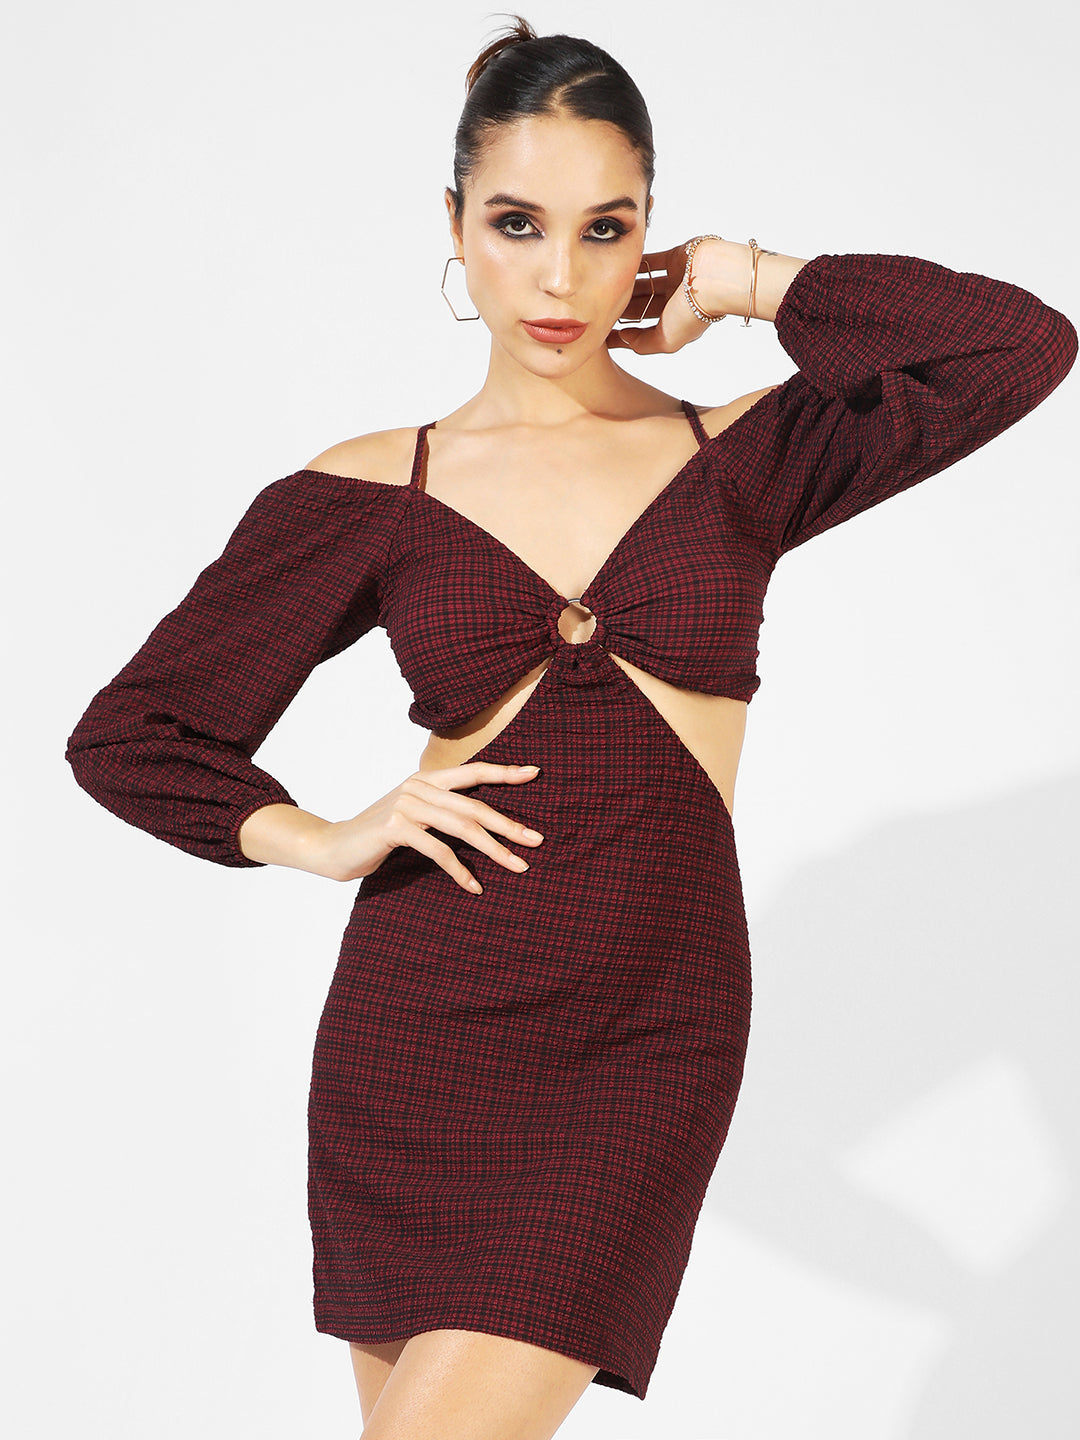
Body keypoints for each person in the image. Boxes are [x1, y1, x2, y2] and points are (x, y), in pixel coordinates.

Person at [64, 14, 1077, 1439]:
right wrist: (326, 835)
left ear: (649, 232)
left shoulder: (743, 459)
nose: (560, 276)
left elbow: (1015, 347)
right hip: (417, 1031)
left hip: (647, 1035)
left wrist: (747, 281)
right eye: (516, 224)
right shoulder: (374, 490)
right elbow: (133, 733)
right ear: (454, 226)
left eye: (606, 229)